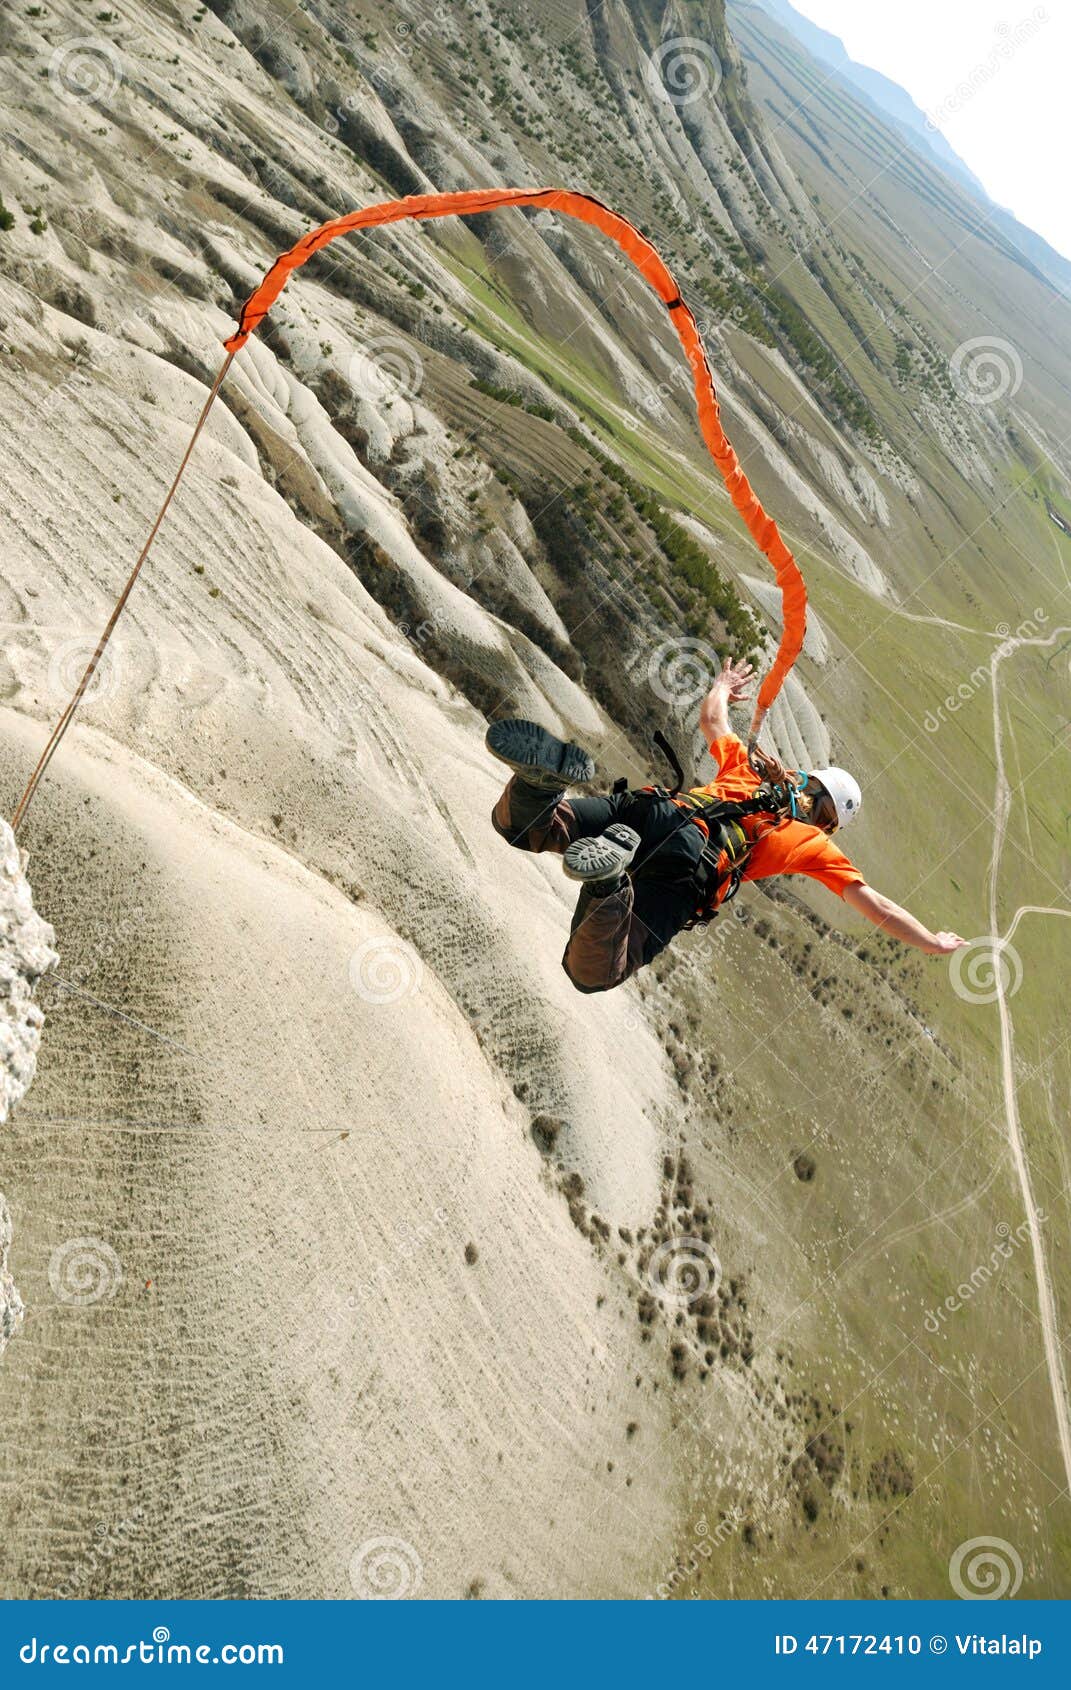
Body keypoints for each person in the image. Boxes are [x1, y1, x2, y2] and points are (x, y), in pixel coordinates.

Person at [488, 657, 967, 993]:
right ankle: (610, 886)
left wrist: (722, 685)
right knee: (591, 972)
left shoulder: (749, 767)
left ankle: (541, 782)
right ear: (829, 822)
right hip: (691, 866)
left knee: (532, 828)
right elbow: (876, 905)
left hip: (656, 811)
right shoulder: (810, 842)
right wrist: (930, 940)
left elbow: (712, 719)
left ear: (810, 781)